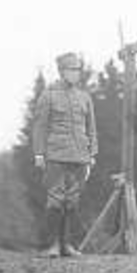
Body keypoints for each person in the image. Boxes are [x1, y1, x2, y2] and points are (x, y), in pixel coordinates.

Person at [32, 52, 98, 258]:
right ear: (61, 71)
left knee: (72, 202)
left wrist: (92, 153)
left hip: (79, 157)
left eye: (78, 69)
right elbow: (40, 126)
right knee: (55, 200)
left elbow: (91, 128)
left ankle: (67, 245)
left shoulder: (84, 97)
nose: (76, 73)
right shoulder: (49, 95)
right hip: (56, 156)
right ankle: (50, 246)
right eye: (71, 69)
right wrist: (39, 154)